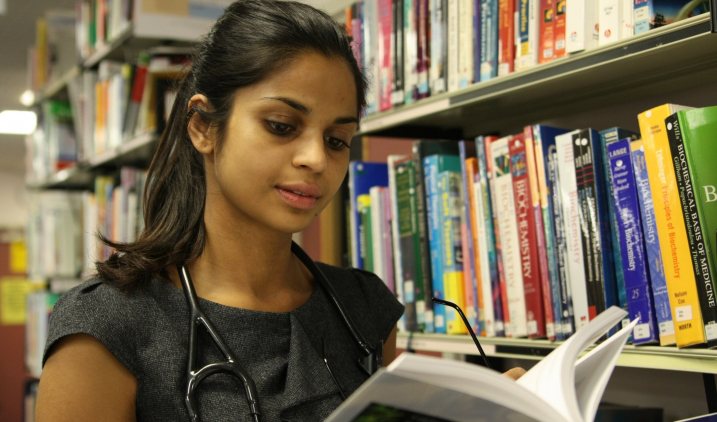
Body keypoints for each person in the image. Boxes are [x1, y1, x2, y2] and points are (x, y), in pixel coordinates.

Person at [36, 1, 523, 421]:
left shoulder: (363, 308)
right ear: (203, 127)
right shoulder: (108, 324)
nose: (316, 159)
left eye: (337, 140)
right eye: (282, 125)